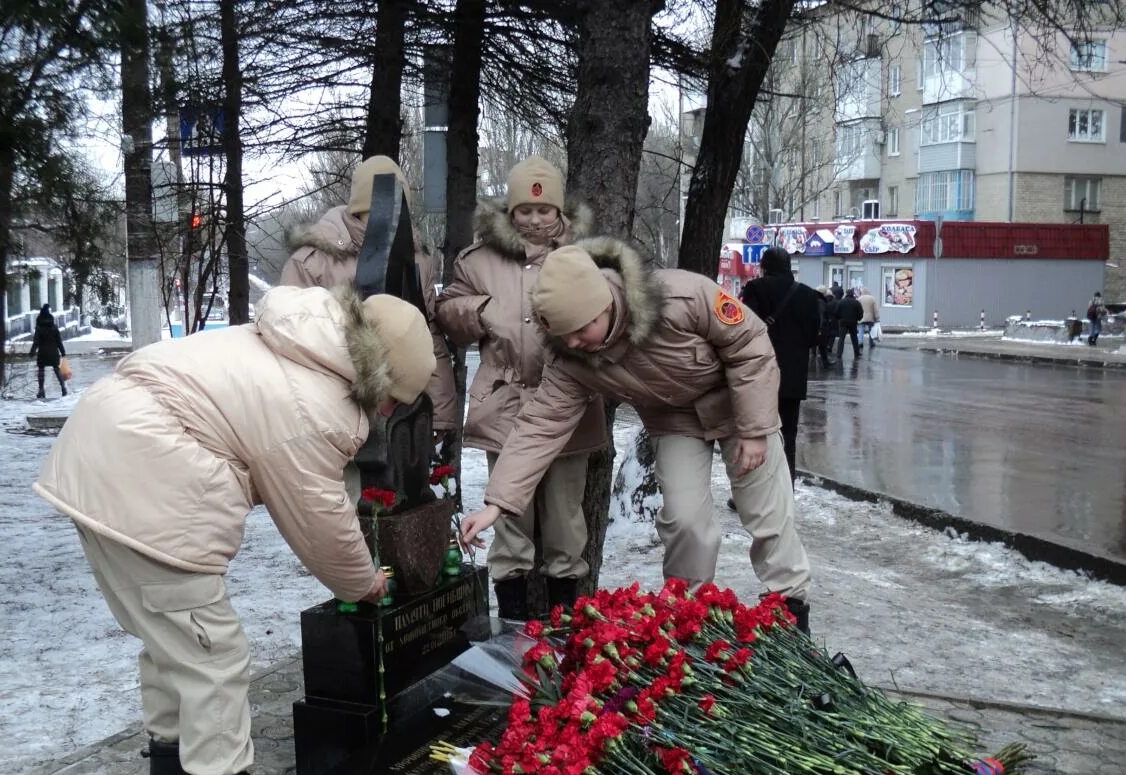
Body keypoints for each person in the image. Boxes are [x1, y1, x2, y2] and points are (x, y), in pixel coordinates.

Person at [33, 285, 435, 775]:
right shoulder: (317, 401)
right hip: (146, 481)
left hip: (105, 460)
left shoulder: (296, 343)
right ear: (381, 375)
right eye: (393, 400)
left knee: (173, 649)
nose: (385, 412)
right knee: (212, 659)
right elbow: (321, 524)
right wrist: (365, 583)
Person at [459, 240, 813, 631]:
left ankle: (791, 611)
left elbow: (749, 344)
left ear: (603, 304)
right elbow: (539, 426)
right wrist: (498, 503)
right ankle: (688, 619)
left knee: (768, 512)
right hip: (675, 419)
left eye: (581, 328)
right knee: (685, 521)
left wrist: (755, 429)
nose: (575, 342)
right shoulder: (571, 357)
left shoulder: (679, 296)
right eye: (565, 335)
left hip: (739, 405)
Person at [436, 157, 606, 619]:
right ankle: (514, 630)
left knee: (565, 521)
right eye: (524, 211)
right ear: (510, 212)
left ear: (560, 212)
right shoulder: (479, 259)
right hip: (505, 400)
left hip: (568, 405)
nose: (535, 219)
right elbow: (448, 311)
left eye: (544, 210)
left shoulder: (584, 255)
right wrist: (480, 310)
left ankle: (564, 626)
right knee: (510, 519)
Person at [280, 154, 459, 439]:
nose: (385, 219)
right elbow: (291, 340)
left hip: (400, 409)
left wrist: (439, 413)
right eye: (373, 211)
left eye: (395, 211)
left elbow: (426, 336)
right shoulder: (314, 262)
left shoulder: (417, 260)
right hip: (334, 407)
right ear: (356, 210)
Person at [738, 246, 821, 484]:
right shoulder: (808, 294)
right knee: (788, 436)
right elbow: (814, 337)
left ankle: (755, 494)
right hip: (793, 378)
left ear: (764, 267)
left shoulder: (756, 289)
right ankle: (786, 490)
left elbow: (744, 330)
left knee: (756, 434)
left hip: (759, 374)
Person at [29, 304, 66, 399]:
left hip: (43, 353)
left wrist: (32, 352)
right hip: (54, 352)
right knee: (56, 369)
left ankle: (41, 390)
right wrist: (63, 352)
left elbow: (36, 342)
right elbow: (59, 341)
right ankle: (63, 387)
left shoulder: (39, 328)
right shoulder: (54, 327)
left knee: (41, 370)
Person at [835, 288, 863, 359]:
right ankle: (857, 353)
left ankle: (839, 354)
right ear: (852, 294)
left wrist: (839, 318)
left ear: (846, 294)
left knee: (841, 338)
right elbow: (860, 313)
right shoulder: (856, 302)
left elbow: (836, 312)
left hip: (843, 322)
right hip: (853, 322)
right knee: (854, 338)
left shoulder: (841, 302)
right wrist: (858, 319)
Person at [857, 286, 880, 351]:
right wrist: (877, 317)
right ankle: (871, 342)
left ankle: (860, 342)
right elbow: (875, 309)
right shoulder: (872, 298)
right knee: (871, 331)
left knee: (861, 330)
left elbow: (857, 308)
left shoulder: (859, 299)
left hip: (861, 317)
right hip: (870, 318)